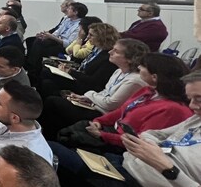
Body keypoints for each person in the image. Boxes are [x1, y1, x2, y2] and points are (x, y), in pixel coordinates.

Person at [51, 70, 201, 187]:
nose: (192, 106)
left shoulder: (175, 109)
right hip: (130, 167)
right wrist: (152, 146)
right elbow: (155, 134)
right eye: (191, 99)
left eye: (198, 99)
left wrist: (167, 168)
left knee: (57, 152)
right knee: (72, 153)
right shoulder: (196, 119)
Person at [63, 53, 192, 153]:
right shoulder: (148, 91)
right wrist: (99, 122)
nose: (139, 68)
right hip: (112, 132)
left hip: (121, 146)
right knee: (71, 131)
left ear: (154, 77)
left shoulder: (173, 109)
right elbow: (121, 111)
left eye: (143, 66)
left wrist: (102, 135)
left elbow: (140, 141)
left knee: (70, 137)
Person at [38, 38, 149, 140]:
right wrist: (85, 98)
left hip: (103, 115)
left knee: (52, 102)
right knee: (55, 100)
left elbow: (110, 104)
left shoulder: (135, 80)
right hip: (96, 105)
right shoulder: (119, 71)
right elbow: (105, 93)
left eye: (116, 51)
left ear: (129, 59)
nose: (110, 52)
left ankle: (48, 139)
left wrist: (90, 96)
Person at [37, 22, 119, 98]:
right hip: (79, 77)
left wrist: (71, 71)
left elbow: (93, 81)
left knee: (47, 80)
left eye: (91, 35)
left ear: (101, 37)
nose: (87, 37)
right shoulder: (96, 48)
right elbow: (75, 57)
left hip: (86, 86)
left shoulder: (107, 57)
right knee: (45, 72)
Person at [25, 2, 88, 83]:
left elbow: (67, 44)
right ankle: (32, 68)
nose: (67, 10)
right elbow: (57, 31)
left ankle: (32, 70)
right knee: (32, 40)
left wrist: (51, 37)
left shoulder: (79, 25)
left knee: (39, 45)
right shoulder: (67, 19)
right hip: (56, 41)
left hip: (64, 47)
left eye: (69, 9)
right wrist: (46, 35)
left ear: (75, 12)